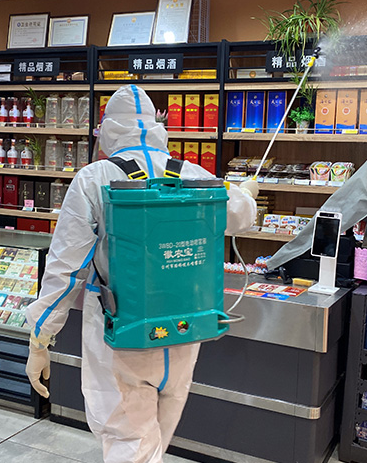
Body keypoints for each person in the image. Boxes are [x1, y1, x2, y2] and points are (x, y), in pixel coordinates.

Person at [24, 85, 258, 463]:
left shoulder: (93, 178)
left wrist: (40, 338)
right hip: (184, 331)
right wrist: (248, 191)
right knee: (155, 443)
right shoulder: (193, 173)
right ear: (157, 128)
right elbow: (241, 214)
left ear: (107, 130)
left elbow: (66, 269)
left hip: (122, 335)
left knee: (129, 445)